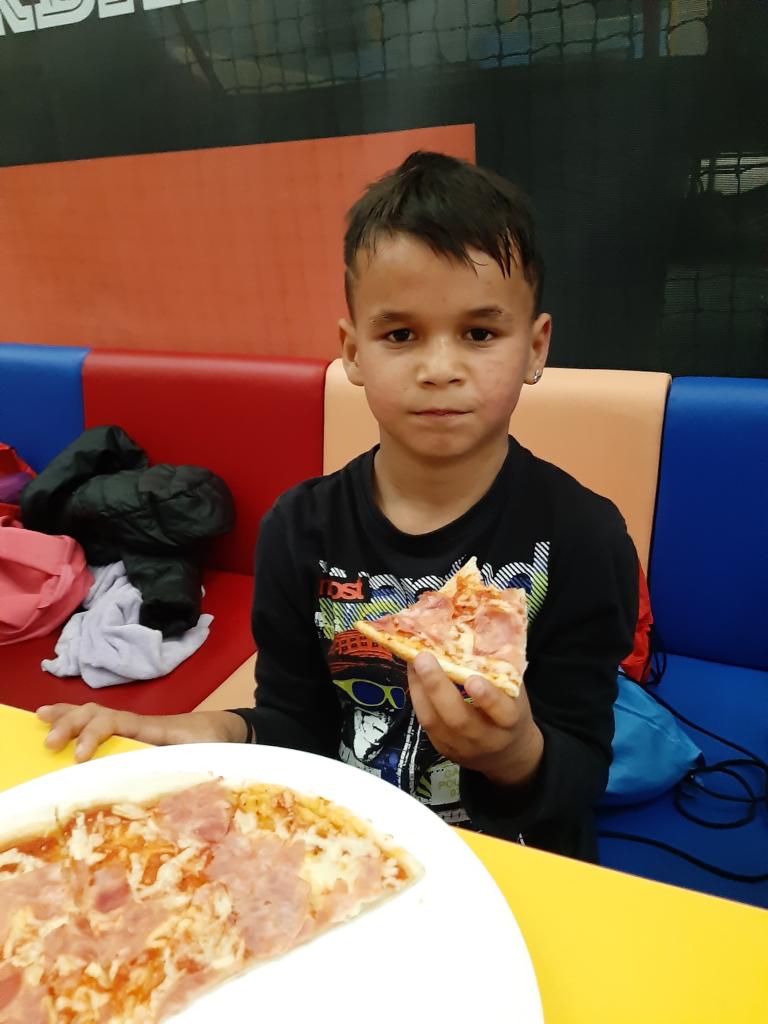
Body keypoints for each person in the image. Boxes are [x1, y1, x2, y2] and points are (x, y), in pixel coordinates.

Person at [37, 151, 637, 861]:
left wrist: (513, 753)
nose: (439, 368)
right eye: (400, 335)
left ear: (535, 347)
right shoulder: (300, 529)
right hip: (348, 854)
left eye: (479, 333)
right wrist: (208, 732)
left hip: (521, 859)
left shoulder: (584, 536)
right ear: (352, 351)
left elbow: (581, 768)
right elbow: (296, 725)